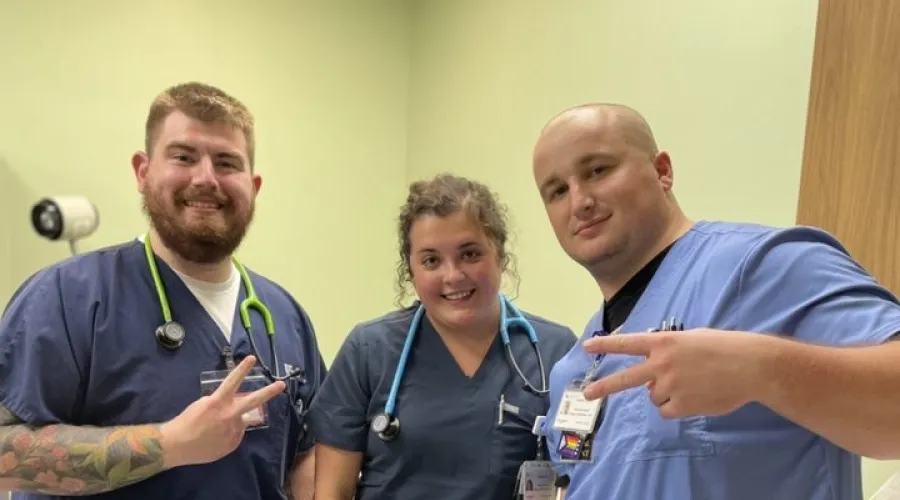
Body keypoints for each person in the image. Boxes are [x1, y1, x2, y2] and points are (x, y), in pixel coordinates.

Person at [530, 102, 900, 500]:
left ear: (662, 172)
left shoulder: (766, 264)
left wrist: (762, 368)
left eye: (597, 170)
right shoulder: (575, 366)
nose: (579, 201)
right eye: (557, 191)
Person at [0, 82, 327, 500]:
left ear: (254, 186)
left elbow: (307, 453)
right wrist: (171, 443)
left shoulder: (284, 315)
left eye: (227, 163)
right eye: (184, 157)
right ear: (143, 170)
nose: (206, 178)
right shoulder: (67, 298)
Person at [307, 174, 578, 500]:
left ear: (501, 256)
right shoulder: (369, 351)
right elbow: (331, 492)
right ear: (411, 270)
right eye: (431, 260)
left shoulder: (555, 352)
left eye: (470, 254)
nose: (452, 276)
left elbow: (578, 475)